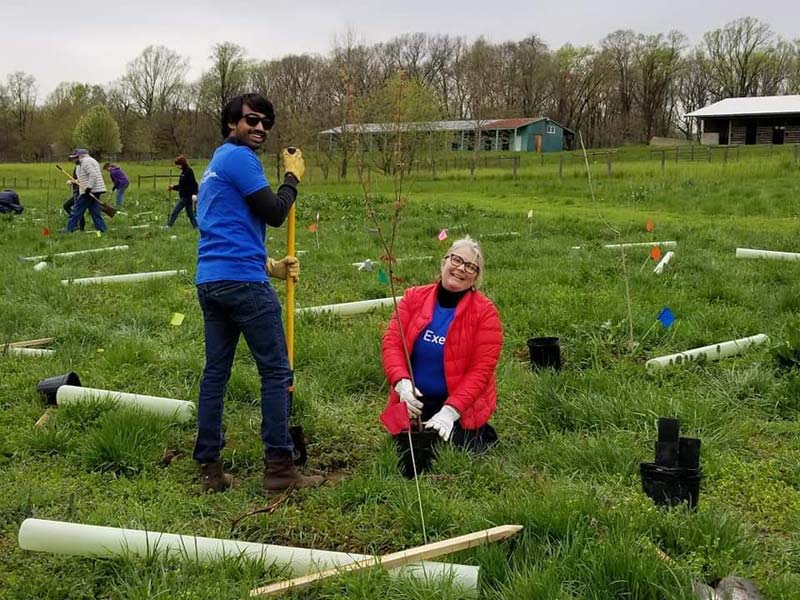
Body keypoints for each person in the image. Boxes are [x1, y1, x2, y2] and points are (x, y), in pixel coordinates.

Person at [193, 92, 322, 493]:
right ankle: (280, 469)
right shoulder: (238, 158)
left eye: (266, 122)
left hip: (212, 282)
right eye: (251, 120)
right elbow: (274, 212)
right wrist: (292, 179)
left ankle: (210, 469)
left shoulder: (215, 164)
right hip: (243, 285)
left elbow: (222, 231)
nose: (260, 128)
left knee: (216, 373)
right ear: (232, 123)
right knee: (276, 371)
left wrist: (270, 266)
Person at [380, 237, 503, 474]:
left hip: (459, 406)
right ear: (443, 261)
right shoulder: (413, 298)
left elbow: (481, 371)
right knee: (405, 463)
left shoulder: (485, 313)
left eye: (470, 267)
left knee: (449, 458)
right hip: (413, 403)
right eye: (456, 259)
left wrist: (451, 411)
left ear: (476, 278)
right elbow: (392, 343)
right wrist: (401, 383)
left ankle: (474, 432)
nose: (460, 269)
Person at [63, 148, 107, 233]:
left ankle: (69, 229)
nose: (73, 160)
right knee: (95, 211)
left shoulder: (86, 162)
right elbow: (84, 177)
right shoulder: (89, 161)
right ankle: (102, 229)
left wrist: (89, 187)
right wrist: (74, 182)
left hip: (90, 190)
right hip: (95, 189)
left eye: (74, 158)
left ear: (80, 156)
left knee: (76, 210)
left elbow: (93, 175)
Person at [165, 155, 198, 228]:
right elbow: (181, 186)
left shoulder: (189, 171)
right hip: (184, 196)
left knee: (175, 211)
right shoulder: (183, 173)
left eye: (178, 165)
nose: (177, 166)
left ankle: (168, 225)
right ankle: (196, 227)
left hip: (186, 197)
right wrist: (173, 187)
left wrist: (195, 194)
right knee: (190, 214)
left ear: (182, 164)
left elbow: (194, 184)